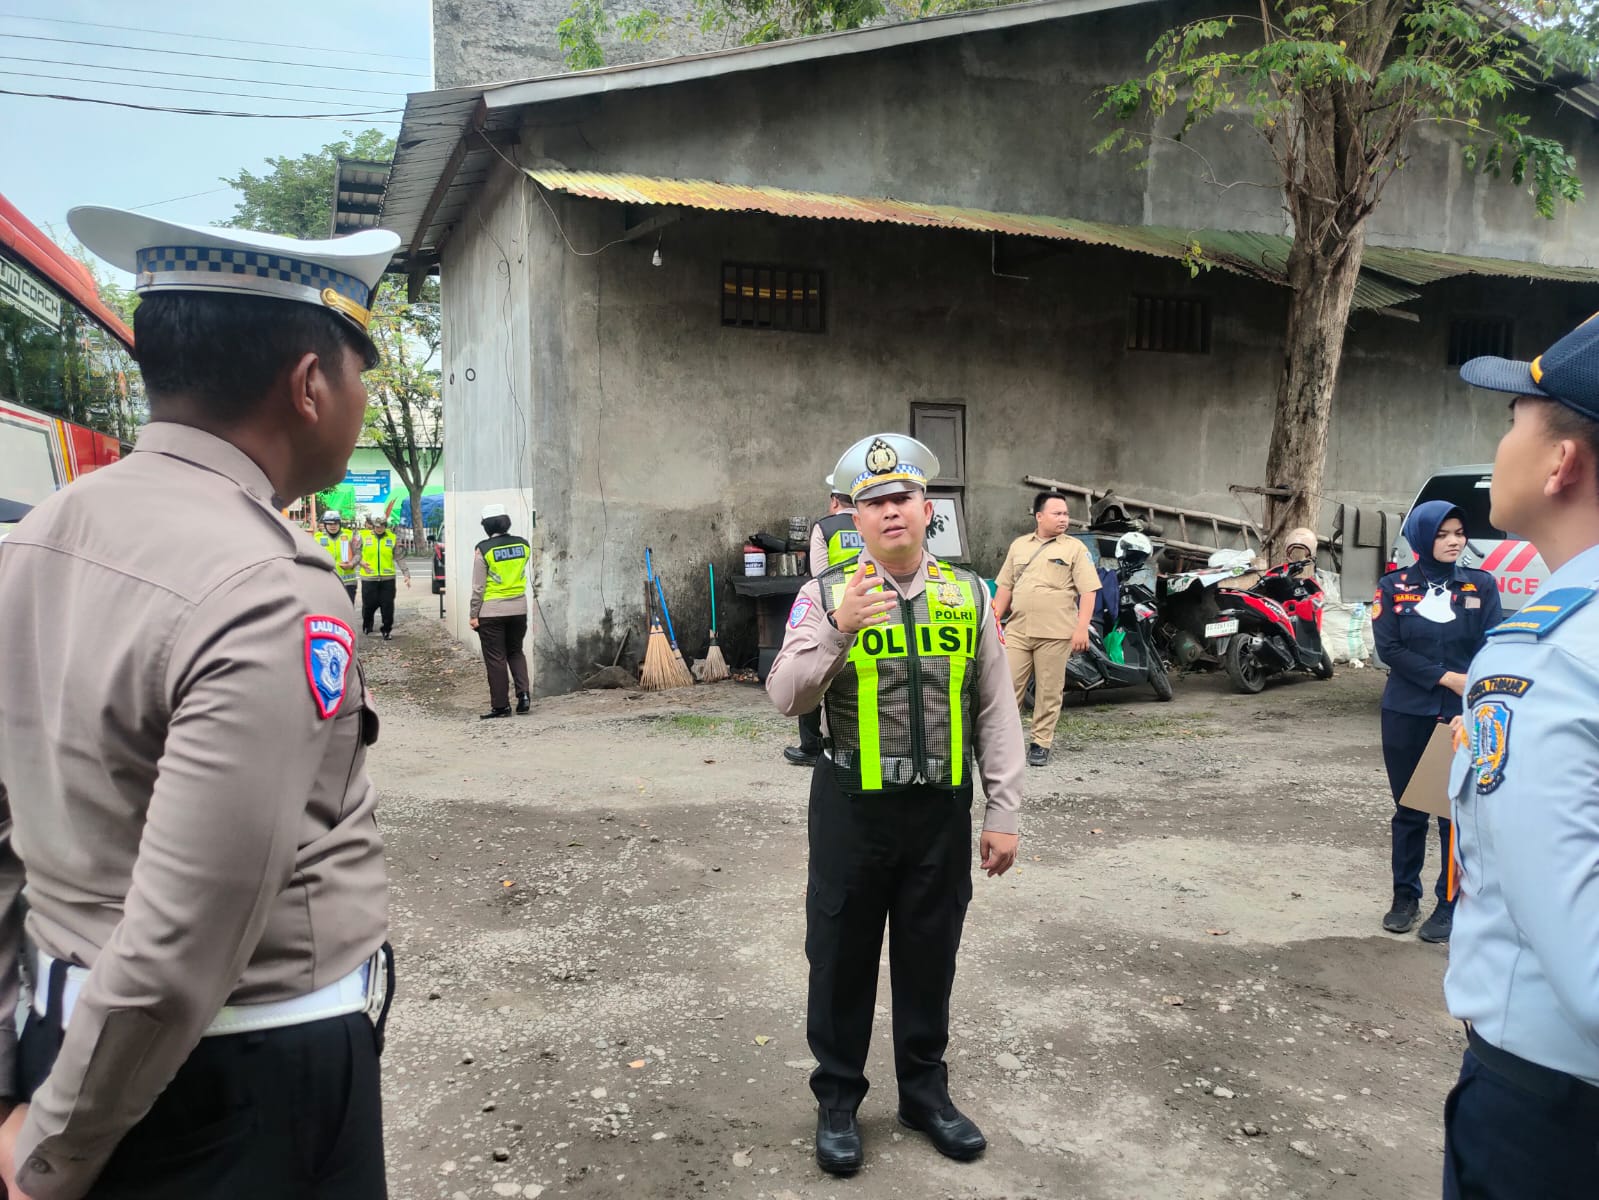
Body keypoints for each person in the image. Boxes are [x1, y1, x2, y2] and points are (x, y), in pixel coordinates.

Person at [0, 206, 397, 1200]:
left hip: (63, 1039)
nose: (358, 401)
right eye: (360, 375)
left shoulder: (38, 537)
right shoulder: (267, 587)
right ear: (311, 386)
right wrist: (49, 1153)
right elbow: (186, 939)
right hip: (229, 1086)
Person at [766, 433, 1024, 1177]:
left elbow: (995, 711)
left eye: (901, 499)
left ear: (925, 508)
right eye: (873, 502)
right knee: (840, 958)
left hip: (939, 810)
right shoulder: (822, 596)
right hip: (851, 807)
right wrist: (839, 630)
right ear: (854, 516)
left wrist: (1001, 811)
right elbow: (786, 698)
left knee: (928, 957)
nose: (889, 513)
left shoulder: (969, 595)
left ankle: (924, 1094)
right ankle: (838, 1100)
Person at [1438, 316, 1599, 1200]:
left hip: (1552, 1114)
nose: (1497, 444)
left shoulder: (1546, 659)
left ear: (1560, 463)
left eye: (1511, 417)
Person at [1371, 502, 1499, 943]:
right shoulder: (1394, 587)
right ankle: (1404, 898)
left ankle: (1448, 905)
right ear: (1423, 537)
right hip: (1406, 710)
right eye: (1443, 534)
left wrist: (1475, 684)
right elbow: (1390, 649)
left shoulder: (1481, 585)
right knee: (1409, 809)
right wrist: (1446, 677)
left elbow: (1491, 642)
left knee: (1450, 813)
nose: (1454, 541)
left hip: (1457, 715)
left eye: (1459, 533)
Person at [992, 491, 1102, 766]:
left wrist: (1081, 629)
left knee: (1049, 691)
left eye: (1065, 514)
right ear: (1039, 516)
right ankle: (1004, 742)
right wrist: (991, 622)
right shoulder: (1019, 546)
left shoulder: (1075, 549)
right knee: (1007, 688)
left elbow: (1089, 592)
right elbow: (1005, 588)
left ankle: (1041, 743)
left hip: (1056, 632)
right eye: (1057, 513)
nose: (1064, 518)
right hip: (1018, 630)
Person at [783, 476, 860, 766]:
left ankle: (811, 746)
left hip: (835, 612)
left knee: (814, 670)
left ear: (833, 501)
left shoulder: (824, 527)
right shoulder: (870, 524)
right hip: (872, 606)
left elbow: (820, 575)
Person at [470, 503, 532, 719]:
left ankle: (501, 706)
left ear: (487, 526)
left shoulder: (483, 549)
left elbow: (478, 587)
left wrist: (473, 614)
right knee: (516, 651)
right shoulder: (523, 545)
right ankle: (524, 696)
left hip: (492, 611)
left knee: (496, 658)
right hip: (519, 609)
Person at [356, 512, 410, 639]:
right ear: (373, 526)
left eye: (381, 526)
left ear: (385, 525)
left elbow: (399, 557)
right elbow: (355, 552)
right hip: (369, 578)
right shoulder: (363, 536)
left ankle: (386, 630)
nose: (379, 528)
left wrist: (406, 574)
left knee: (387, 606)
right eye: (376, 526)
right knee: (369, 605)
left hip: (387, 579)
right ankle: (367, 624)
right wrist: (360, 562)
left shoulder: (392, 538)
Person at [316, 509, 361, 603]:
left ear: (340, 523)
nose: (333, 526)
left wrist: (351, 564)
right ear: (325, 524)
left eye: (335, 523)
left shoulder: (350, 535)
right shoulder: (317, 538)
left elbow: (358, 554)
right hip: (326, 582)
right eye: (330, 524)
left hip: (348, 582)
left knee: (347, 613)